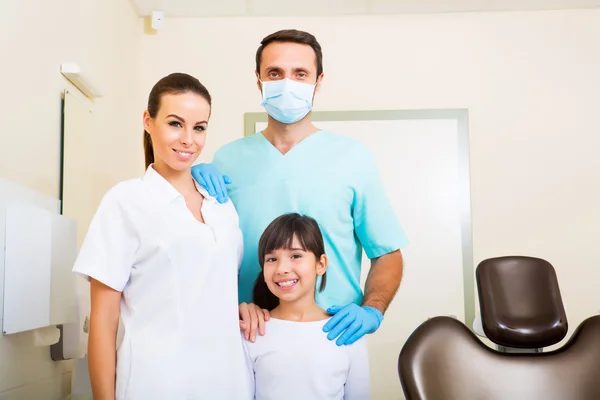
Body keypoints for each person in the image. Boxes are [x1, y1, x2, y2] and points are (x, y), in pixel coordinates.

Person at [192, 29, 408, 346]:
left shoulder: (352, 158)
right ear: (258, 80)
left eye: (300, 74)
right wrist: (185, 178)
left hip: (333, 332)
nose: (287, 83)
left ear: (318, 82)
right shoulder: (227, 160)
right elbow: (200, 253)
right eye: (275, 73)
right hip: (249, 331)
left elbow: (387, 253)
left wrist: (372, 309)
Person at [72, 72, 255, 399]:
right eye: (175, 123)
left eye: (199, 127)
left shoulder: (222, 206)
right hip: (156, 384)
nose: (189, 139)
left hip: (229, 382)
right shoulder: (126, 202)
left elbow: (222, 287)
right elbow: (103, 320)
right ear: (148, 121)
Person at [244, 213, 370, 399]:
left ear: (320, 264)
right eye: (272, 259)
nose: (282, 269)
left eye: (295, 255)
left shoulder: (347, 332)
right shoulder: (252, 331)